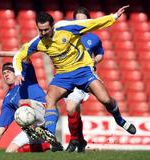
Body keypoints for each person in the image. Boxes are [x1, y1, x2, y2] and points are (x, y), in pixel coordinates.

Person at [12, 6, 136, 147]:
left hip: (83, 70)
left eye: (46, 29)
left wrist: (113, 17)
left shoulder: (66, 28)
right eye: (40, 30)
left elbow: (92, 23)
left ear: (52, 26)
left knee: (106, 99)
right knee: (50, 98)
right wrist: (17, 73)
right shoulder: (37, 42)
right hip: (63, 76)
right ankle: (50, 135)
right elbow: (18, 55)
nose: (43, 33)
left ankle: (120, 120)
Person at [0, 47, 61, 153]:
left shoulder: (27, 78)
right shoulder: (8, 98)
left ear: (16, 72)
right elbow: (2, 126)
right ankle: (48, 145)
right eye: (4, 73)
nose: (6, 74)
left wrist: (3, 53)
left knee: (23, 103)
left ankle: (42, 135)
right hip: (32, 126)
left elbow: (24, 55)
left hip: (45, 112)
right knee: (9, 152)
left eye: (9, 71)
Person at [65, 6, 105, 152]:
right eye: (78, 20)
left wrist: (96, 61)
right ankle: (80, 141)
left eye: (84, 20)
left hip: (83, 78)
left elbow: (100, 53)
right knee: (74, 110)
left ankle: (74, 140)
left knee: (70, 107)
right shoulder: (67, 35)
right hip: (67, 78)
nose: (81, 23)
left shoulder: (94, 38)